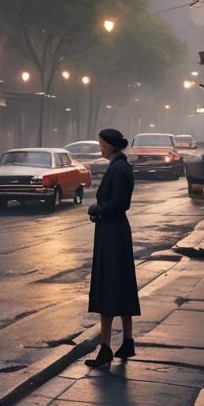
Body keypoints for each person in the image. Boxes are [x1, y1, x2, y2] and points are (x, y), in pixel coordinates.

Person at [85, 127, 141, 368]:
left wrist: (97, 210)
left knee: (107, 287)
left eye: (100, 143)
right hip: (116, 233)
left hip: (112, 235)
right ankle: (127, 341)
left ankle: (105, 348)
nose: (99, 147)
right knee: (122, 285)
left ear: (109, 145)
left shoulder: (118, 168)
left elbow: (120, 203)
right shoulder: (121, 166)